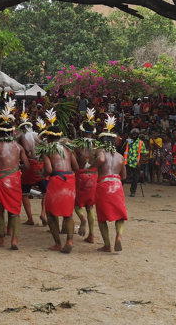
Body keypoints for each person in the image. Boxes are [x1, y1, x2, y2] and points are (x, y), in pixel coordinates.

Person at [0, 99, 29, 250]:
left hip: (1, 179)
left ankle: (2, 240)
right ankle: (14, 239)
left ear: (0, 132)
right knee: (15, 210)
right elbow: (27, 165)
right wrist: (16, 167)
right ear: (12, 132)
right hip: (15, 178)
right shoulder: (19, 147)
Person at [38, 109, 78, 253]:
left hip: (56, 179)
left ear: (48, 138)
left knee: (50, 213)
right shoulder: (67, 149)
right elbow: (76, 166)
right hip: (69, 179)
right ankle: (70, 240)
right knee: (68, 214)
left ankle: (58, 243)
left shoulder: (46, 149)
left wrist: (42, 175)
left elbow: (48, 169)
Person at [90, 115, 128, 252]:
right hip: (117, 184)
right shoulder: (120, 156)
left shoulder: (100, 151)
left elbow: (100, 160)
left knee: (102, 217)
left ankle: (107, 245)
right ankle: (119, 236)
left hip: (104, 184)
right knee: (120, 213)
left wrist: (91, 167)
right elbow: (124, 176)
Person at [72, 108, 99, 244]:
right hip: (94, 176)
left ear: (82, 131)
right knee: (90, 206)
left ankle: (82, 219)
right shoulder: (97, 145)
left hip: (81, 175)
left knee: (76, 203)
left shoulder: (77, 145)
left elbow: (74, 163)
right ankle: (92, 235)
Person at [18, 111, 46, 226]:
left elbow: (28, 153)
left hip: (29, 165)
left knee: (24, 193)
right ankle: (43, 213)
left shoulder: (23, 137)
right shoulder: (38, 136)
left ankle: (30, 218)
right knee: (46, 191)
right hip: (40, 164)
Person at [124, 128, 146, 197]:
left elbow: (142, 153)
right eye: (133, 134)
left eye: (135, 134)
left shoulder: (140, 142)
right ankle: (118, 189)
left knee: (135, 178)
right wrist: (125, 142)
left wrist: (140, 163)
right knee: (124, 176)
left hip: (136, 162)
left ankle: (133, 191)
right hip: (128, 162)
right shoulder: (129, 141)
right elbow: (123, 149)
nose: (134, 135)